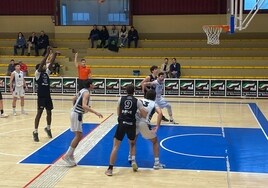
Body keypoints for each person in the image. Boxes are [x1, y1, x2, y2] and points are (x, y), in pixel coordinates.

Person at [105, 85, 146, 176]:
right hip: (131, 124)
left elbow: (118, 113)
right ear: (134, 92)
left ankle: (110, 169)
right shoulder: (138, 101)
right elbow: (143, 115)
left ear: (126, 91)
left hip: (122, 123)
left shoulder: (121, 99)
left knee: (115, 146)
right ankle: (133, 160)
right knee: (132, 143)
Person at [62, 79, 103, 166]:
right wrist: (95, 112)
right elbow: (84, 105)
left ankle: (71, 155)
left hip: (75, 112)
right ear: (90, 85)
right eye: (93, 84)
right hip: (76, 114)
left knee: (78, 135)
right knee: (79, 136)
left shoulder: (82, 90)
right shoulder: (86, 93)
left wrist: (77, 107)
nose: (94, 85)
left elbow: (73, 99)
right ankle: (67, 155)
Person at [129, 89, 165, 170]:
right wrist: (157, 126)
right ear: (155, 97)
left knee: (132, 142)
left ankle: (133, 160)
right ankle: (156, 163)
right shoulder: (154, 103)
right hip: (144, 123)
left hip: (133, 122)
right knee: (155, 141)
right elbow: (160, 113)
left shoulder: (139, 100)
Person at [33, 47, 59, 142]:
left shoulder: (46, 73)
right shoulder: (38, 74)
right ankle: (35, 132)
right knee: (39, 113)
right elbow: (43, 63)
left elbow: (51, 63)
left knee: (49, 112)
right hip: (41, 97)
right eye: (42, 66)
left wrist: (55, 54)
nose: (44, 66)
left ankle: (48, 128)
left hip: (48, 96)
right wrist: (47, 53)